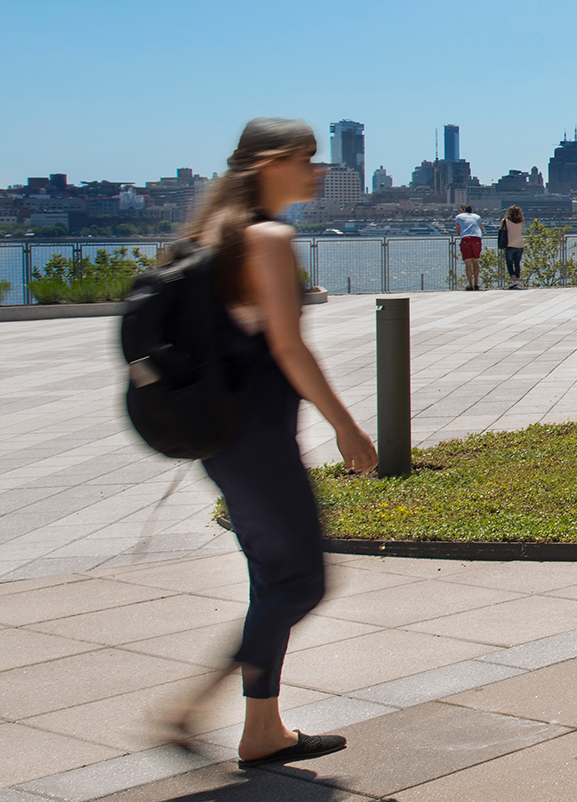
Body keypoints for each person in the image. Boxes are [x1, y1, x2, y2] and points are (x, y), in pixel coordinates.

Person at [158, 120, 377, 766]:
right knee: (304, 580)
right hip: (258, 439)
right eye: (307, 160)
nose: (317, 171)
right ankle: (189, 709)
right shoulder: (269, 239)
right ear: (269, 164)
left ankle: (263, 730)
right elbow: (287, 346)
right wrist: (346, 424)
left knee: (270, 581)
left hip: (221, 439)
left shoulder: (208, 238)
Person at [455, 204, 484, 291]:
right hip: (477, 239)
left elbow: (458, 231)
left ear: (463, 210)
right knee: (476, 261)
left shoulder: (459, 217)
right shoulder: (477, 217)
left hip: (466, 239)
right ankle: (476, 284)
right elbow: (481, 229)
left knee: (468, 263)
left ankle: (470, 285)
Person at [500, 205, 527, 290]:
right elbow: (520, 231)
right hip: (519, 244)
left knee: (509, 263)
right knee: (517, 263)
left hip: (509, 244)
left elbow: (501, 230)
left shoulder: (505, 221)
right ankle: (516, 280)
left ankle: (514, 280)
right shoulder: (521, 221)